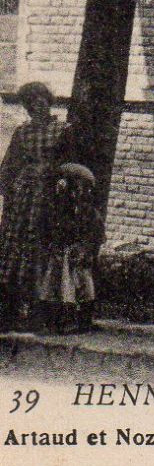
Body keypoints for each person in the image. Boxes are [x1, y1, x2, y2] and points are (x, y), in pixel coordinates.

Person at [0, 82, 66, 329]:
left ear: (49, 103)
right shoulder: (22, 132)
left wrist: (59, 180)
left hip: (49, 195)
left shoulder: (62, 130)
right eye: (32, 103)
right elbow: (10, 164)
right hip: (23, 197)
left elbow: (69, 163)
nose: (37, 107)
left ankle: (43, 311)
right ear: (27, 108)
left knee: (43, 248)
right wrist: (6, 190)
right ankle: (12, 309)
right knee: (15, 247)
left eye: (42, 101)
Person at [34, 162, 103, 334]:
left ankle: (81, 321)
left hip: (77, 253)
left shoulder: (87, 211)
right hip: (61, 251)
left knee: (81, 286)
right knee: (56, 285)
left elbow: (95, 232)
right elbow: (47, 227)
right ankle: (57, 322)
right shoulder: (58, 207)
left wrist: (84, 248)